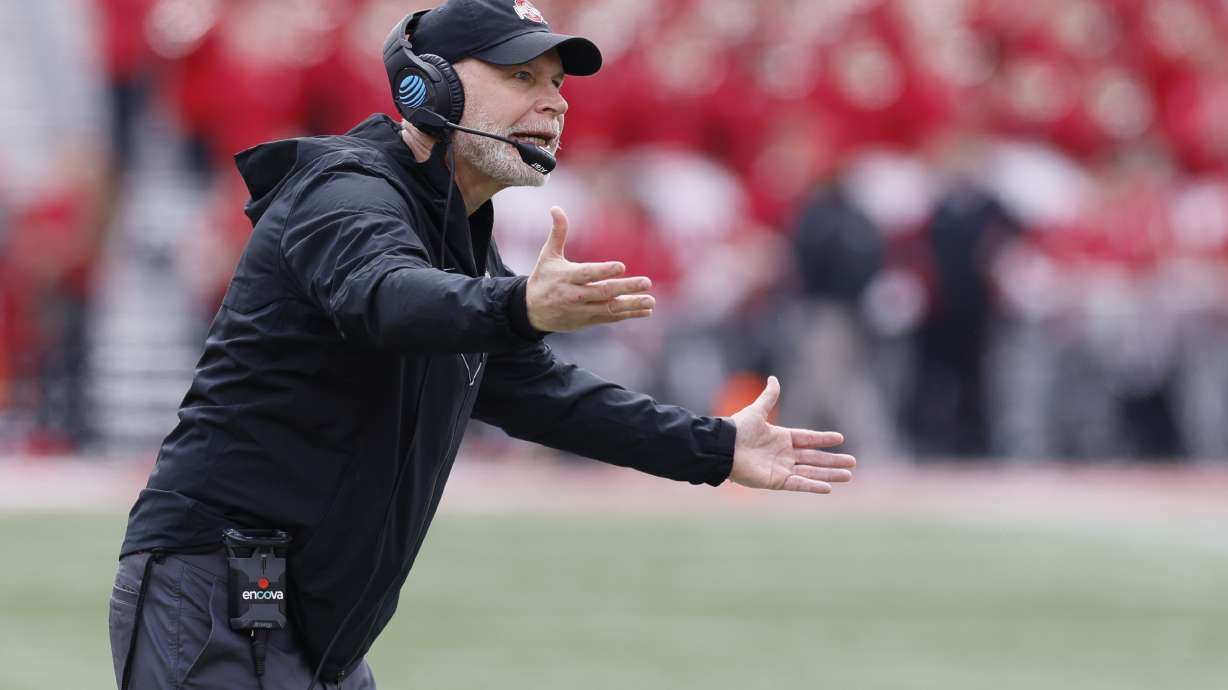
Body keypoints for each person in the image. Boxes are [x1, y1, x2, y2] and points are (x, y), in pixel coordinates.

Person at [108, 1, 856, 688]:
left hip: (305, 620)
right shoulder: (346, 189)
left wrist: (715, 448)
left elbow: (543, 395)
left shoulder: (457, 234)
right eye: (521, 75)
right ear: (424, 88)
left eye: (558, 82)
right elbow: (389, 297)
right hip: (221, 592)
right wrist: (518, 304)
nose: (554, 100)